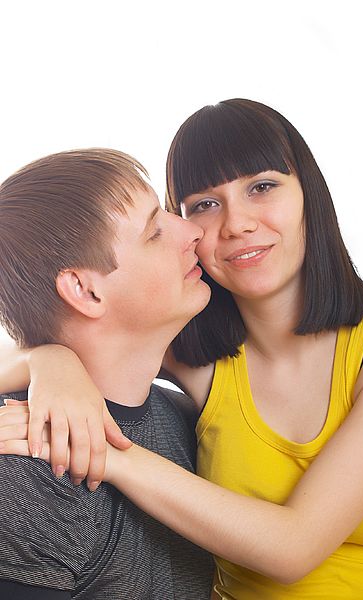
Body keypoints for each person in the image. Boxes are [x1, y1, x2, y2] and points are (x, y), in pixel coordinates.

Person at [0, 99, 363, 599]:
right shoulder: (195, 358)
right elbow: (90, 336)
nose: (235, 224)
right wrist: (48, 361)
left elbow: (294, 547)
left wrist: (114, 458)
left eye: (262, 187)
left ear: (309, 193)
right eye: (204, 205)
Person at [0, 149, 215, 599]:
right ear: (85, 290)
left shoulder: (181, 417)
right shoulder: (26, 466)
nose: (194, 231)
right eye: (155, 232)